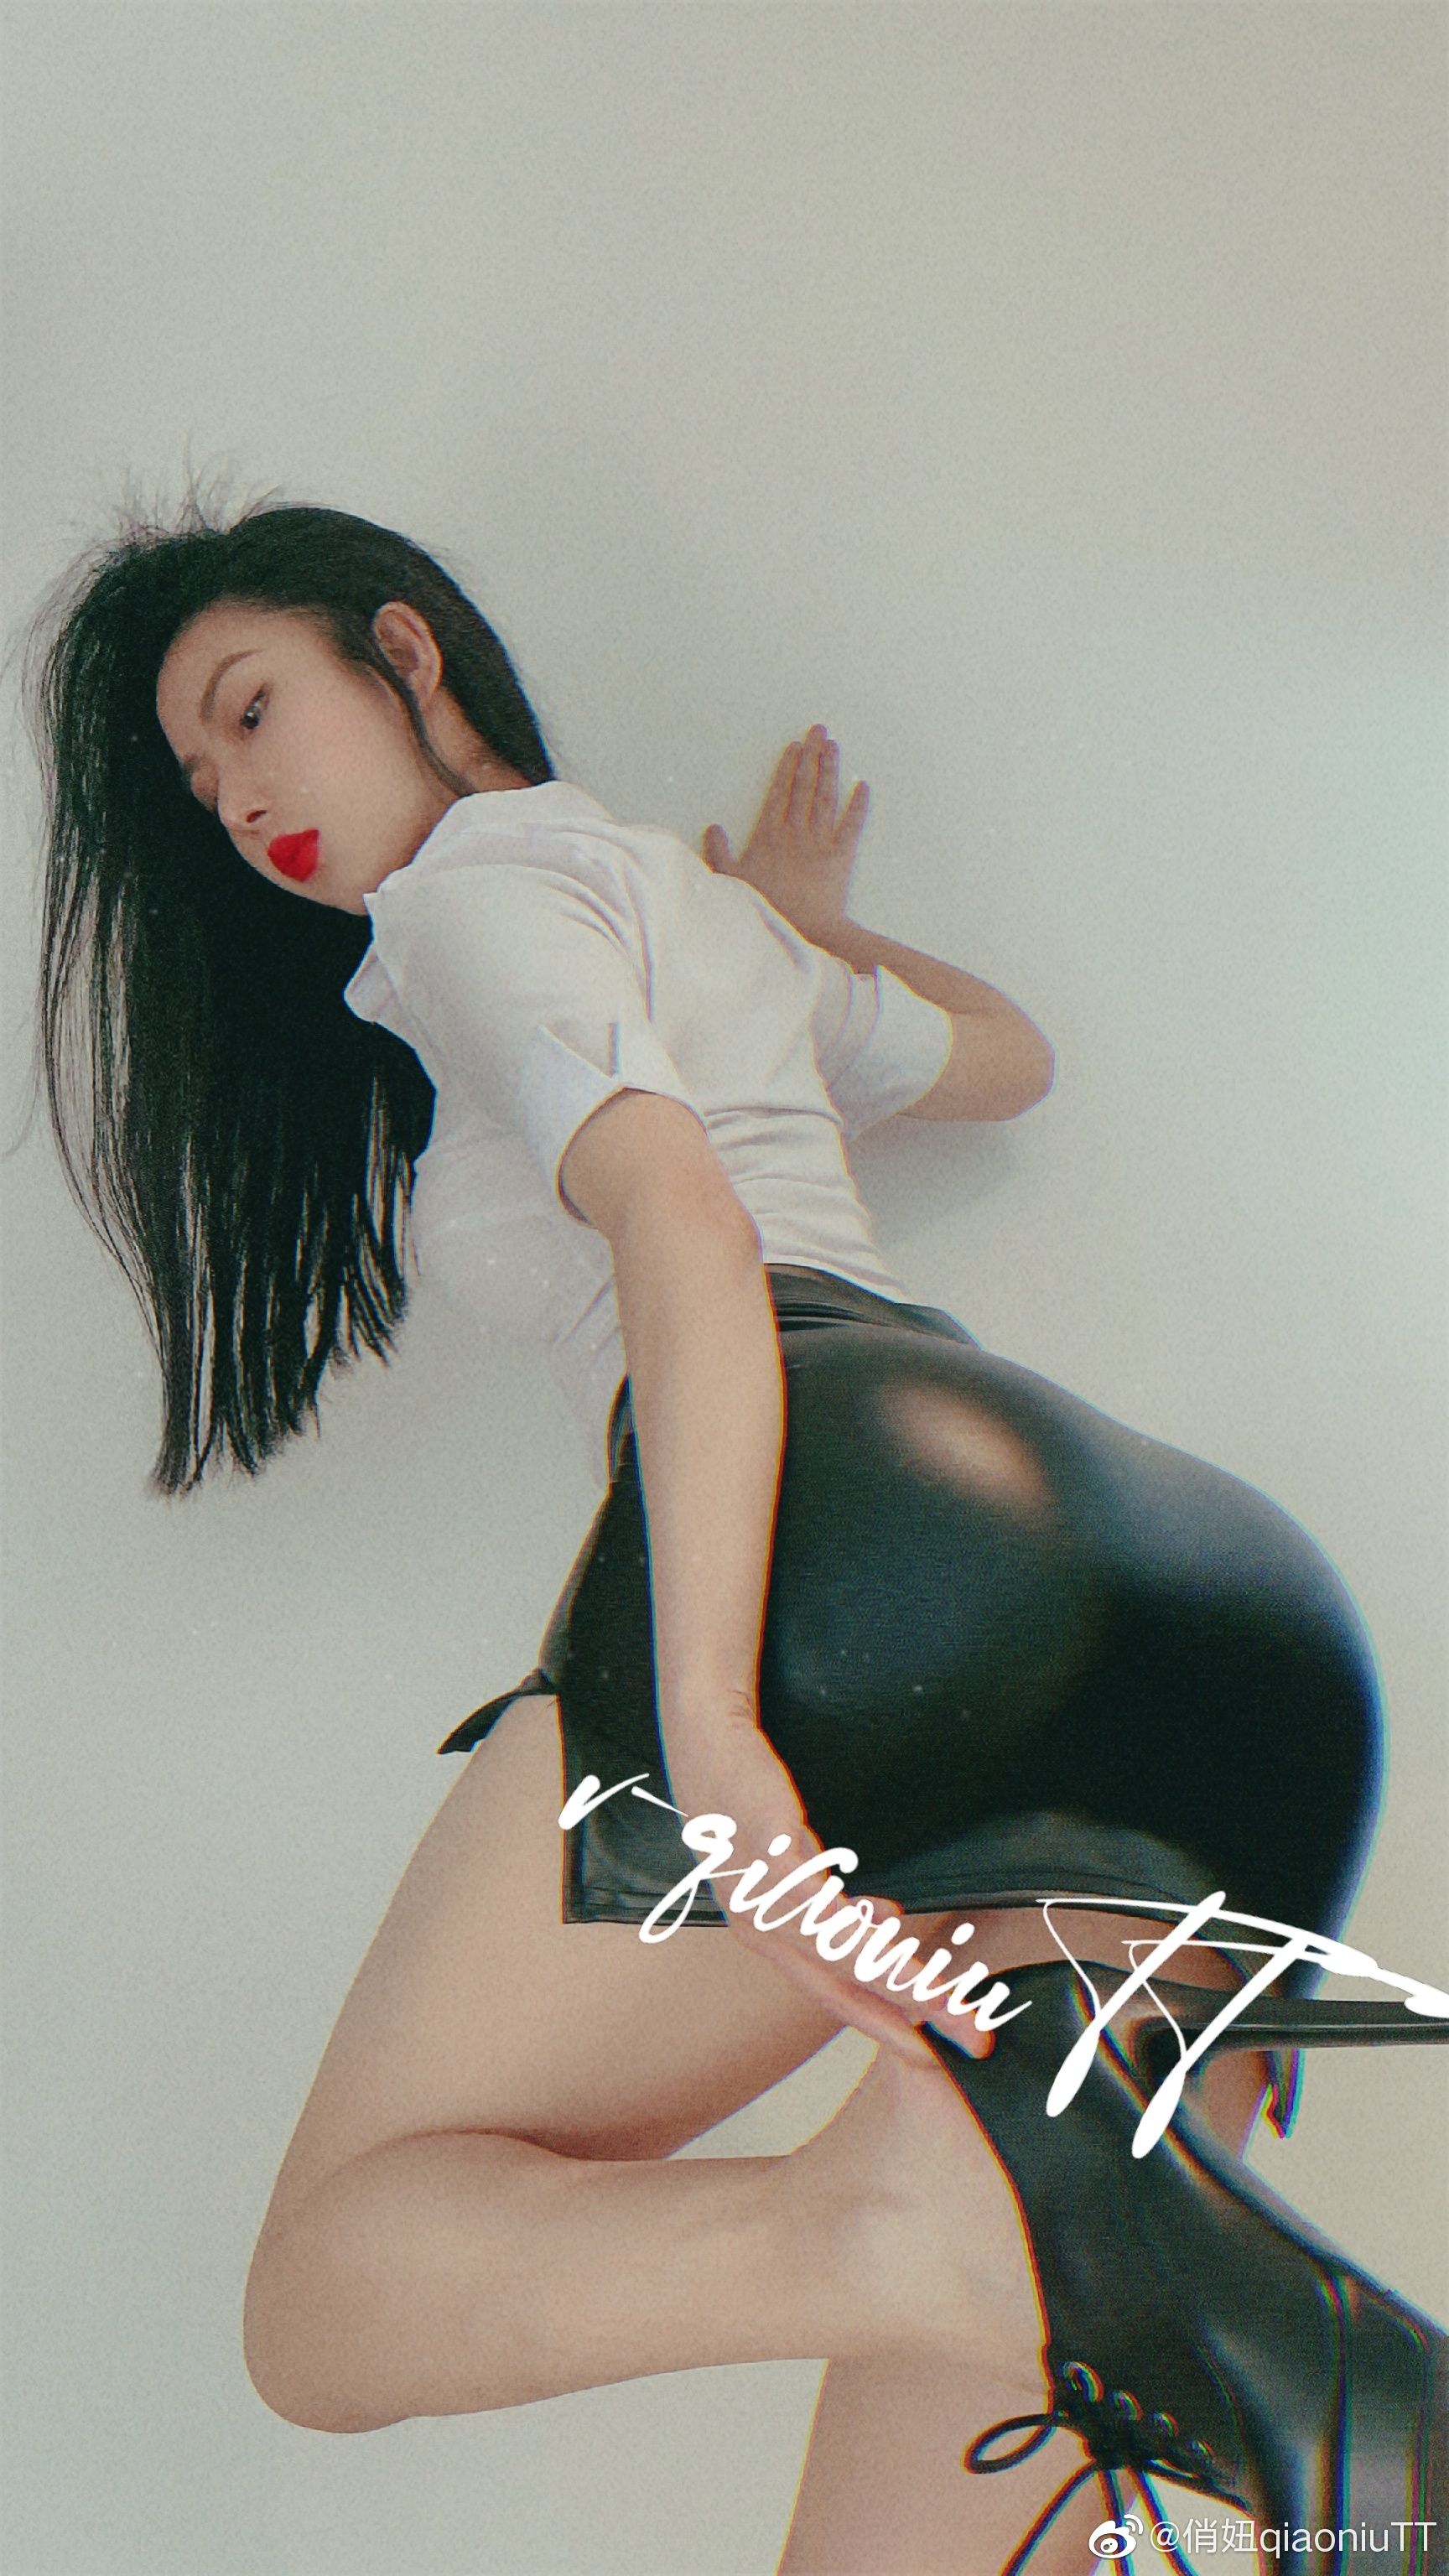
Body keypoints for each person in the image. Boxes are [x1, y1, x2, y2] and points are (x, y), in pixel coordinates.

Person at [29, 496, 1446, 2576]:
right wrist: (799, 933)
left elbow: (678, 1221)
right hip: (1200, 1621)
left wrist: (711, 1729)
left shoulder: (467, 905)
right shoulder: (694, 920)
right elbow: (1007, 1061)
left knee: (326, 2301)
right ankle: (1288, 2380)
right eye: (195, 779)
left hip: (859, 1537)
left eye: (251, 711)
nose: (239, 800)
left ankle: (891, 2223)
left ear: (407, 654)